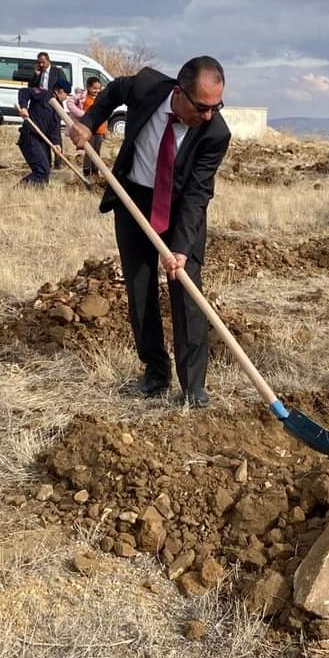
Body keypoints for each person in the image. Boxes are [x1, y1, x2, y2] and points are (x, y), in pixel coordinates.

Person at [67, 57, 230, 408]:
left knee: (186, 292)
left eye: (216, 107)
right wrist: (89, 121)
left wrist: (182, 248)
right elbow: (111, 93)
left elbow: (199, 193)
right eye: (202, 107)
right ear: (179, 92)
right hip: (133, 198)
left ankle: (193, 386)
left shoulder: (215, 133)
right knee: (140, 289)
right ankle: (155, 374)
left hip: (179, 207)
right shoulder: (146, 87)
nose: (208, 115)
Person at [17, 77, 72, 185]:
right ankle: (18, 190)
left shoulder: (59, 106)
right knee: (42, 170)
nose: (66, 97)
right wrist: (23, 107)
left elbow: (54, 128)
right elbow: (24, 92)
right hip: (30, 137)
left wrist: (56, 144)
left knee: (46, 171)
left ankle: (39, 196)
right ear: (60, 91)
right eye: (66, 94)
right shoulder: (44, 95)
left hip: (43, 140)